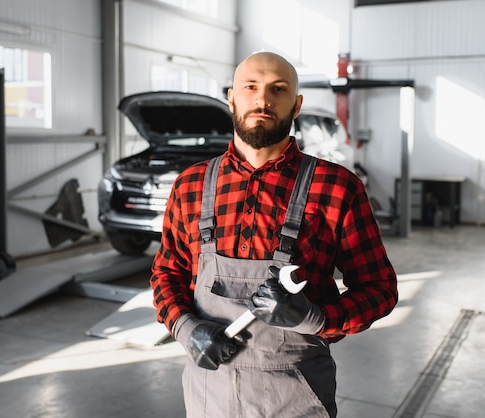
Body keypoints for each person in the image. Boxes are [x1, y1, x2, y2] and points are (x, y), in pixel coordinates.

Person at [150, 51, 398, 418]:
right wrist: (186, 329)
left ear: (296, 105)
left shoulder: (337, 187)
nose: (262, 99)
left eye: (277, 89)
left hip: (297, 397)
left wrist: (315, 317)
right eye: (250, 87)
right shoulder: (191, 184)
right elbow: (167, 274)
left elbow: (380, 289)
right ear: (231, 97)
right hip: (209, 395)